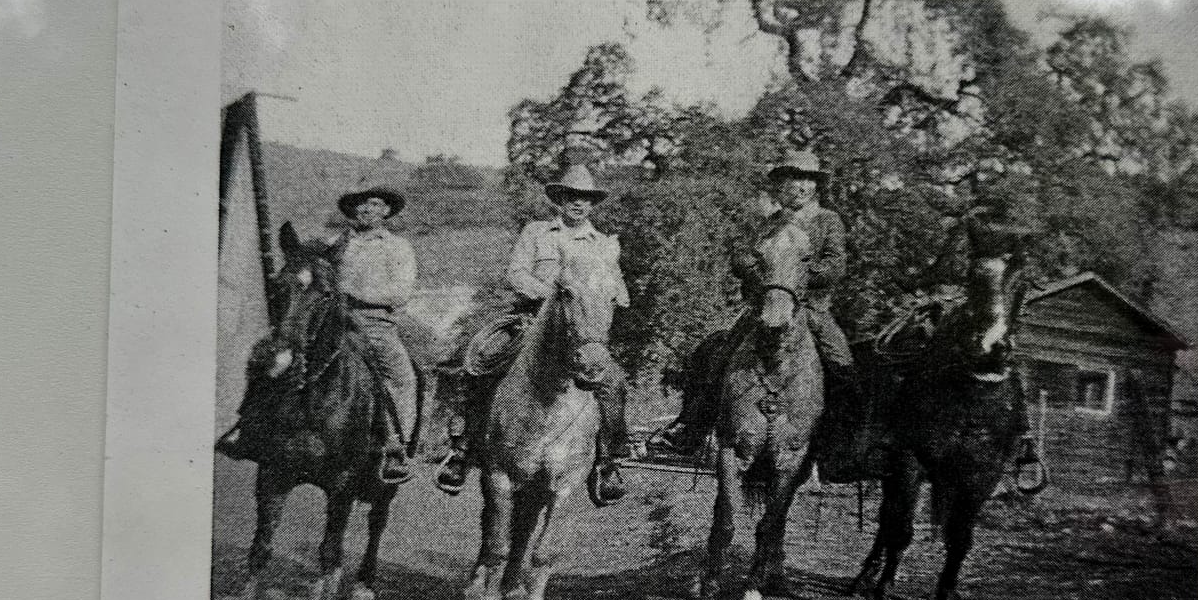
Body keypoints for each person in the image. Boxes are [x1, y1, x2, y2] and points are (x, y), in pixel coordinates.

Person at [436, 164, 631, 507]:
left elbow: (618, 292)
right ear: (559, 200)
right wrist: (548, 293)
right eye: (571, 197)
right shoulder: (537, 232)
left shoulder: (602, 244)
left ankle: (607, 462)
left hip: (579, 329)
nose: (578, 204)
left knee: (612, 382)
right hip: (531, 321)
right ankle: (462, 448)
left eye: (585, 199)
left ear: (592, 204)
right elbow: (516, 271)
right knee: (481, 359)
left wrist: (594, 300)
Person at [657, 150, 857, 459]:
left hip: (810, 308)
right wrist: (757, 272)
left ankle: (839, 440)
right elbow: (743, 255)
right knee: (721, 356)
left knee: (842, 362)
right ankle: (691, 428)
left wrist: (797, 279)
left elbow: (836, 264)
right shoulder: (769, 223)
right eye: (793, 180)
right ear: (781, 187)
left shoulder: (828, 221)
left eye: (806, 180)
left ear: (815, 186)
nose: (799, 187)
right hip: (764, 306)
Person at [329, 183, 419, 484]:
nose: (368, 208)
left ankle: (395, 445)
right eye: (362, 203)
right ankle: (256, 425)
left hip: (374, 325)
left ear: (386, 212)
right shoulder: (336, 243)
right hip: (333, 320)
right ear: (353, 210)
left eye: (376, 203)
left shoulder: (397, 247)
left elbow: (400, 292)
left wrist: (354, 291)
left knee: (402, 378)